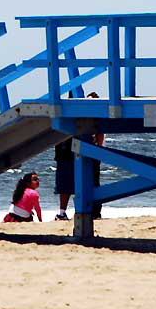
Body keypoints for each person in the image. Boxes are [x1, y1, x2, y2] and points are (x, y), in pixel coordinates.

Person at [54, 91, 104, 221]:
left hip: (73, 150)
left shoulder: (70, 113)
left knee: (89, 182)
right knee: (68, 183)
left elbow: (99, 133)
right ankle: (64, 212)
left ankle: (93, 211)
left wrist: (98, 148)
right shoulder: (71, 113)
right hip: (67, 152)